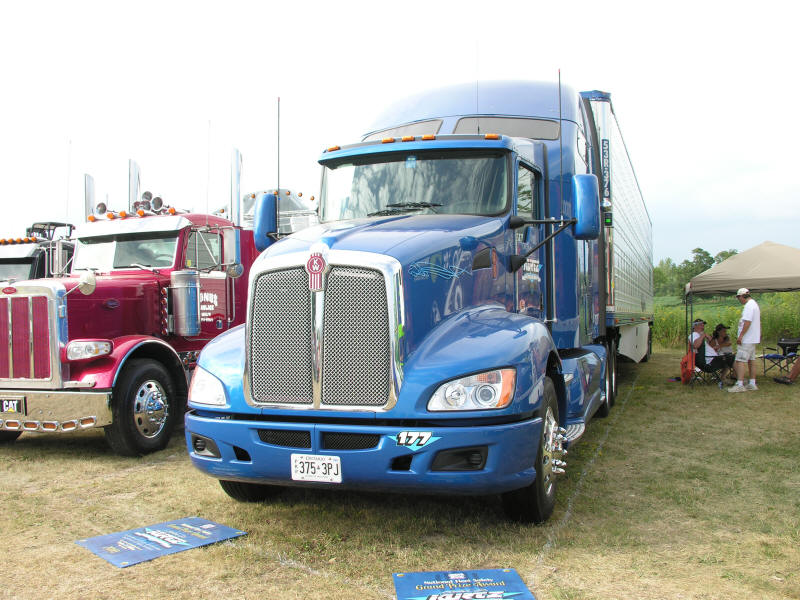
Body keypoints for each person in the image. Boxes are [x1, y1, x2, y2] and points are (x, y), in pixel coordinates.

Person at [728, 287, 761, 392]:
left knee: (740, 361)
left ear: (742, 296)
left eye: (739, 297)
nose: (739, 300)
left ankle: (740, 384)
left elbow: (747, 322)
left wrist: (741, 336)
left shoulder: (748, 306)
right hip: (752, 338)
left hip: (747, 339)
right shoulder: (755, 304)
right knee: (751, 361)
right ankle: (752, 383)